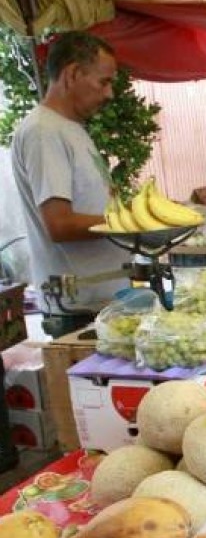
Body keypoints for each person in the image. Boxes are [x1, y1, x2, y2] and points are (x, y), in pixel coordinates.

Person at [12, 31, 129, 336]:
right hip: (78, 310)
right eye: (104, 81)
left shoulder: (69, 127)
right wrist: (128, 225)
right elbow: (60, 225)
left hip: (101, 301)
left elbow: (91, 206)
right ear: (73, 73)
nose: (109, 94)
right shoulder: (43, 132)